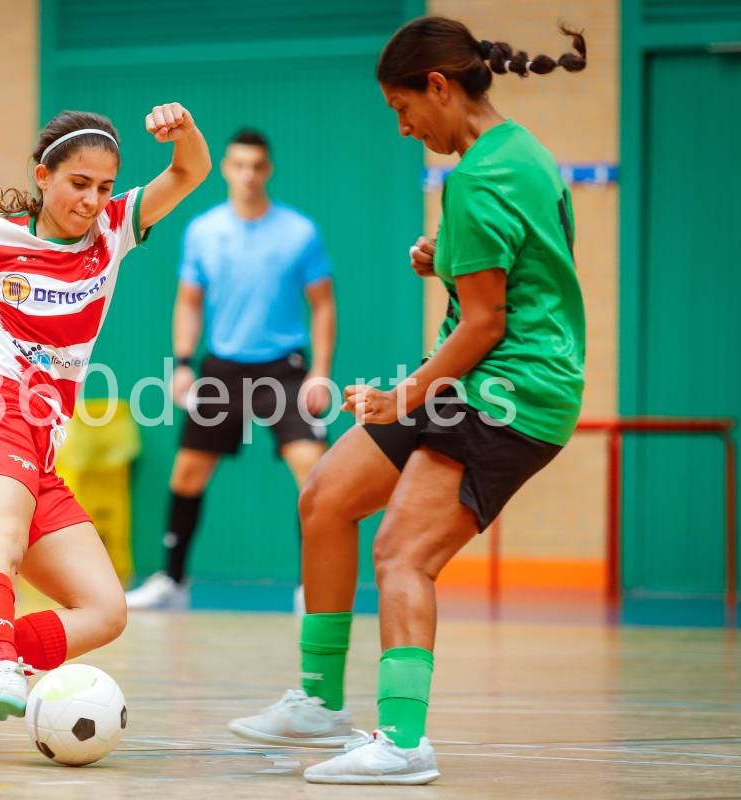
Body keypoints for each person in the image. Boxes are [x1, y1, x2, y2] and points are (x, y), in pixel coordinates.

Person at [228, 16, 587, 785]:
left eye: (403, 109)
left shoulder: (482, 175)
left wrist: (403, 397)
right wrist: (446, 264)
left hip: (509, 392)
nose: (402, 128)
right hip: (478, 377)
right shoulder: (519, 152)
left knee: (401, 551)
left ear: (438, 85)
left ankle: (403, 743)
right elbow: (530, 273)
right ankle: (320, 702)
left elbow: (489, 321)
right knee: (325, 496)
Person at [0, 103, 211, 751]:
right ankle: (4, 665)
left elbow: (191, 170)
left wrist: (186, 131)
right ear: (43, 176)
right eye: (77, 184)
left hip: (40, 445)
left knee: (105, 608)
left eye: (103, 187)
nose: (92, 200)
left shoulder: (115, 230)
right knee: (0, 545)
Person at [124, 128, 337, 612]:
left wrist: (320, 371)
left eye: (257, 166)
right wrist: (182, 364)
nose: (248, 175)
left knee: (316, 475)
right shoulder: (203, 230)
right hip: (221, 370)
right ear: (225, 168)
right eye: (239, 165)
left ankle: (314, 587)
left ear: (268, 170)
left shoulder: (299, 232)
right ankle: (172, 582)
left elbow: (323, 306)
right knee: (187, 475)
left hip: (284, 369)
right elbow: (188, 302)